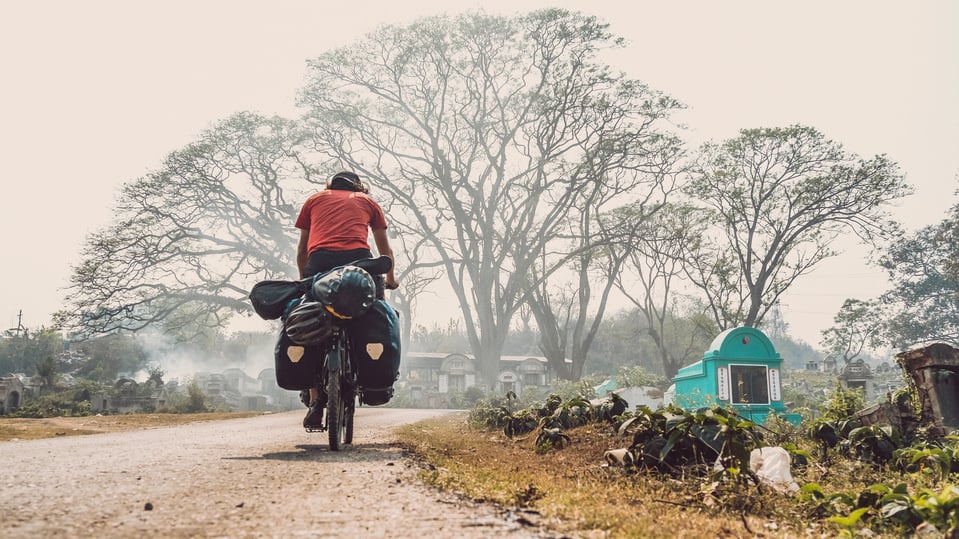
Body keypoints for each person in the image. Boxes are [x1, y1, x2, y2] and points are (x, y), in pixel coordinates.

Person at [294, 170, 399, 428]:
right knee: (375, 310)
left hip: (319, 264)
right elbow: (384, 249)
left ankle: (315, 398)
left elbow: (302, 249)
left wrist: (304, 280)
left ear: (330, 184)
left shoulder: (314, 200)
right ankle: (367, 374)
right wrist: (391, 278)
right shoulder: (368, 202)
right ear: (359, 187)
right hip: (359, 263)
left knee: (309, 322)